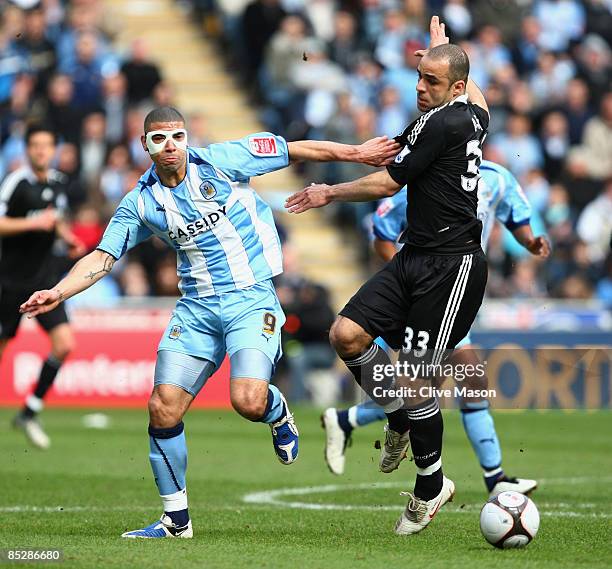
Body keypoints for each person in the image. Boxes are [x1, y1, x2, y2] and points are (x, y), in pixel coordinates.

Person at [20, 106, 399, 539]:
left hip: (250, 299)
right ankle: (175, 521)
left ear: (185, 138)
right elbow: (103, 257)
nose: (170, 146)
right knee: (163, 406)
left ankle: (276, 413)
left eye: (177, 136)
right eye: (159, 139)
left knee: (248, 401)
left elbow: (293, 149)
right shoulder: (141, 203)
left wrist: (357, 152)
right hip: (195, 310)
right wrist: (59, 292)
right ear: (144, 145)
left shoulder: (222, 160)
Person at [286, 17, 490, 536]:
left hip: (452, 266)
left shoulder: (443, 122)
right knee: (346, 334)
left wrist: (328, 192)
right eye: (418, 76)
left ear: (456, 89)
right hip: (413, 256)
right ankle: (399, 414)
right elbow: (482, 99)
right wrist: (444, 52)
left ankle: (430, 485)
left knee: (418, 375)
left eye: (431, 81)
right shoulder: (469, 114)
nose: (419, 87)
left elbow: (386, 182)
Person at [322, 159, 550, 499]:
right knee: (433, 383)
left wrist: (530, 242)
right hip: (427, 291)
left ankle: (347, 421)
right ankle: (475, 478)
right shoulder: (430, 179)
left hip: (460, 285)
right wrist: (408, 288)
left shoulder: (496, 178)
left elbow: (517, 216)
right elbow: (383, 230)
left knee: (454, 381)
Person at [0, 124, 85, 449]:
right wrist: (33, 223)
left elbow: (57, 218)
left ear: (54, 149)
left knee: (64, 344)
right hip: (10, 282)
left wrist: (68, 238)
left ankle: (29, 411)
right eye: (35, 145)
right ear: (27, 149)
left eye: (47, 145)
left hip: (45, 282)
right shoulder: (16, 183)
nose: (41, 151)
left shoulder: (59, 184)